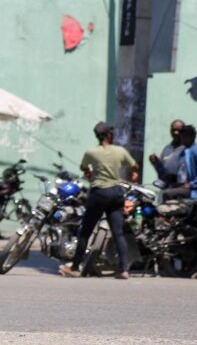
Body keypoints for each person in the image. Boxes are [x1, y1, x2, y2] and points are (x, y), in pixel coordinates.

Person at [59, 122, 137, 280]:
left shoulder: (91, 152)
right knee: (118, 233)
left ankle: (75, 267)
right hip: (116, 192)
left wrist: (90, 173)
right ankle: (123, 270)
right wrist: (134, 175)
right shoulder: (120, 151)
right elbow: (134, 166)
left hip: (99, 193)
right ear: (109, 134)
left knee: (85, 232)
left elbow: (84, 168)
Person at [161, 124, 197, 202]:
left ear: (190, 137)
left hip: (196, 191)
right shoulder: (184, 151)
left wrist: (192, 184)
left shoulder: (196, 150)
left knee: (167, 194)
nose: (181, 139)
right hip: (184, 187)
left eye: (183, 137)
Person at [149, 119, 184, 187]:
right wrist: (156, 162)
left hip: (181, 189)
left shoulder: (188, 150)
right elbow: (162, 171)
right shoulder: (167, 149)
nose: (176, 133)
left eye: (179, 130)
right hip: (167, 188)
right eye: (173, 130)